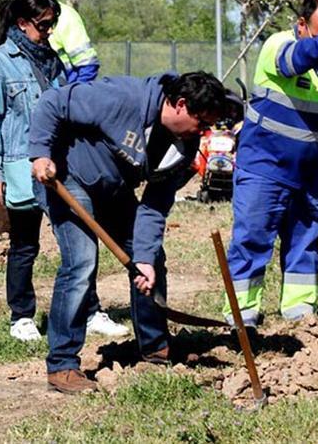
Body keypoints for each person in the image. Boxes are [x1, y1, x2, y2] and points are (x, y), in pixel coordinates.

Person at [30, 71, 231, 394]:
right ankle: (62, 364)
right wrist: (40, 153)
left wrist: (146, 258)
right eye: (201, 122)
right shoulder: (122, 98)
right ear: (180, 105)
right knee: (81, 262)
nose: (202, 132)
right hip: (66, 175)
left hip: (112, 188)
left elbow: (154, 205)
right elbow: (54, 102)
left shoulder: (184, 147)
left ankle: (153, 347)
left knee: (149, 258)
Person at [0, 0, 127, 343]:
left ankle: (89, 311)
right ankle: (21, 316)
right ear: (23, 23)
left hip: (60, 168)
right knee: (25, 245)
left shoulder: (55, 60)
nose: (50, 31)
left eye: (53, 24)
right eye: (44, 25)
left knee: (79, 241)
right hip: (20, 169)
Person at [224, 0, 318, 326]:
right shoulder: (279, 45)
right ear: (301, 24)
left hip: (306, 175)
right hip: (264, 168)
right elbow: (295, 60)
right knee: (252, 238)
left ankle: (300, 310)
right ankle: (242, 312)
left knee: (304, 241)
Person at [17, 0, 101, 84]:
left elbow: (88, 65)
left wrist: (71, 96)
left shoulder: (66, 16)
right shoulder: (18, 16)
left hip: (62, 91)